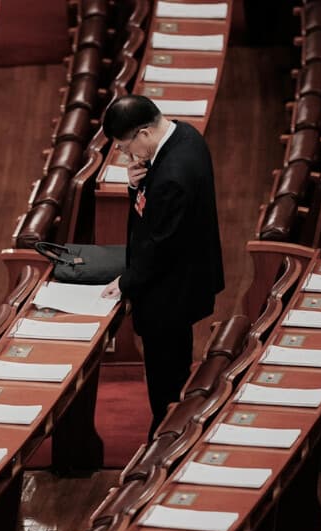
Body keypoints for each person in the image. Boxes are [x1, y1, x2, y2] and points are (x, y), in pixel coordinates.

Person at [100, 94, 224, 439]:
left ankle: (166, 437)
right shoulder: (185, 135)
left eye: (126, 147)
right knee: (175, 365)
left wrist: (125, 283)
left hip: (170, 291)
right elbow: (154, 215)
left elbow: (159, 243)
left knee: (165, 377)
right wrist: (135, 185)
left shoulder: (171, 173)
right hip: (185, 277)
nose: (127, 154)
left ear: (143, 133)